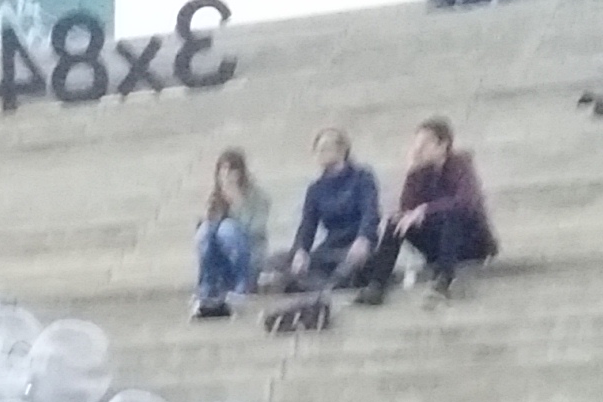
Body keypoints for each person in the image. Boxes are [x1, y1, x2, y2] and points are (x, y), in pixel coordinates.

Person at [346, 117, 499, 304]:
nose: (419, 148)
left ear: (443, 144)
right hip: (439, 244)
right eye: (417, 143)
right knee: (396, 222)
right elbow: (407, 209)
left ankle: (443, 281)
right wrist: (411, 173)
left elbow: (465, 202)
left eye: (426, 143)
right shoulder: (421, 172)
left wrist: (426, 210)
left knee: (451, 214)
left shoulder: (461, 164)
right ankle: (377, 284)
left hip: (470, 243)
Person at [281, 126, 382, 290]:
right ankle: (322, 285)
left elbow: (370, 213)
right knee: (284, 262)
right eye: (318, 150)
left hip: (357, 244)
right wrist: (301, 251)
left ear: (342, 150)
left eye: (325, 149)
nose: (320, 154)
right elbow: (307, 225)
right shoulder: (316, 189)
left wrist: (363, 238)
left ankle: (334, 283)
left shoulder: (362, 177)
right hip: (331, 247)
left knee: (353, 264)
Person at [191, 150, 271, 317]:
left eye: (232, 170)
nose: (227, 176)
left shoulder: (258, 197)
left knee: (227, 228)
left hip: (248, 258)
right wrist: (209, 215)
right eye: (223, 171)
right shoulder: (215, 197)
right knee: (206, 230)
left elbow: (256, 230)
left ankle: (241, 287)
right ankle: (206, 288)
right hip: (221, 263)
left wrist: (237, 204)